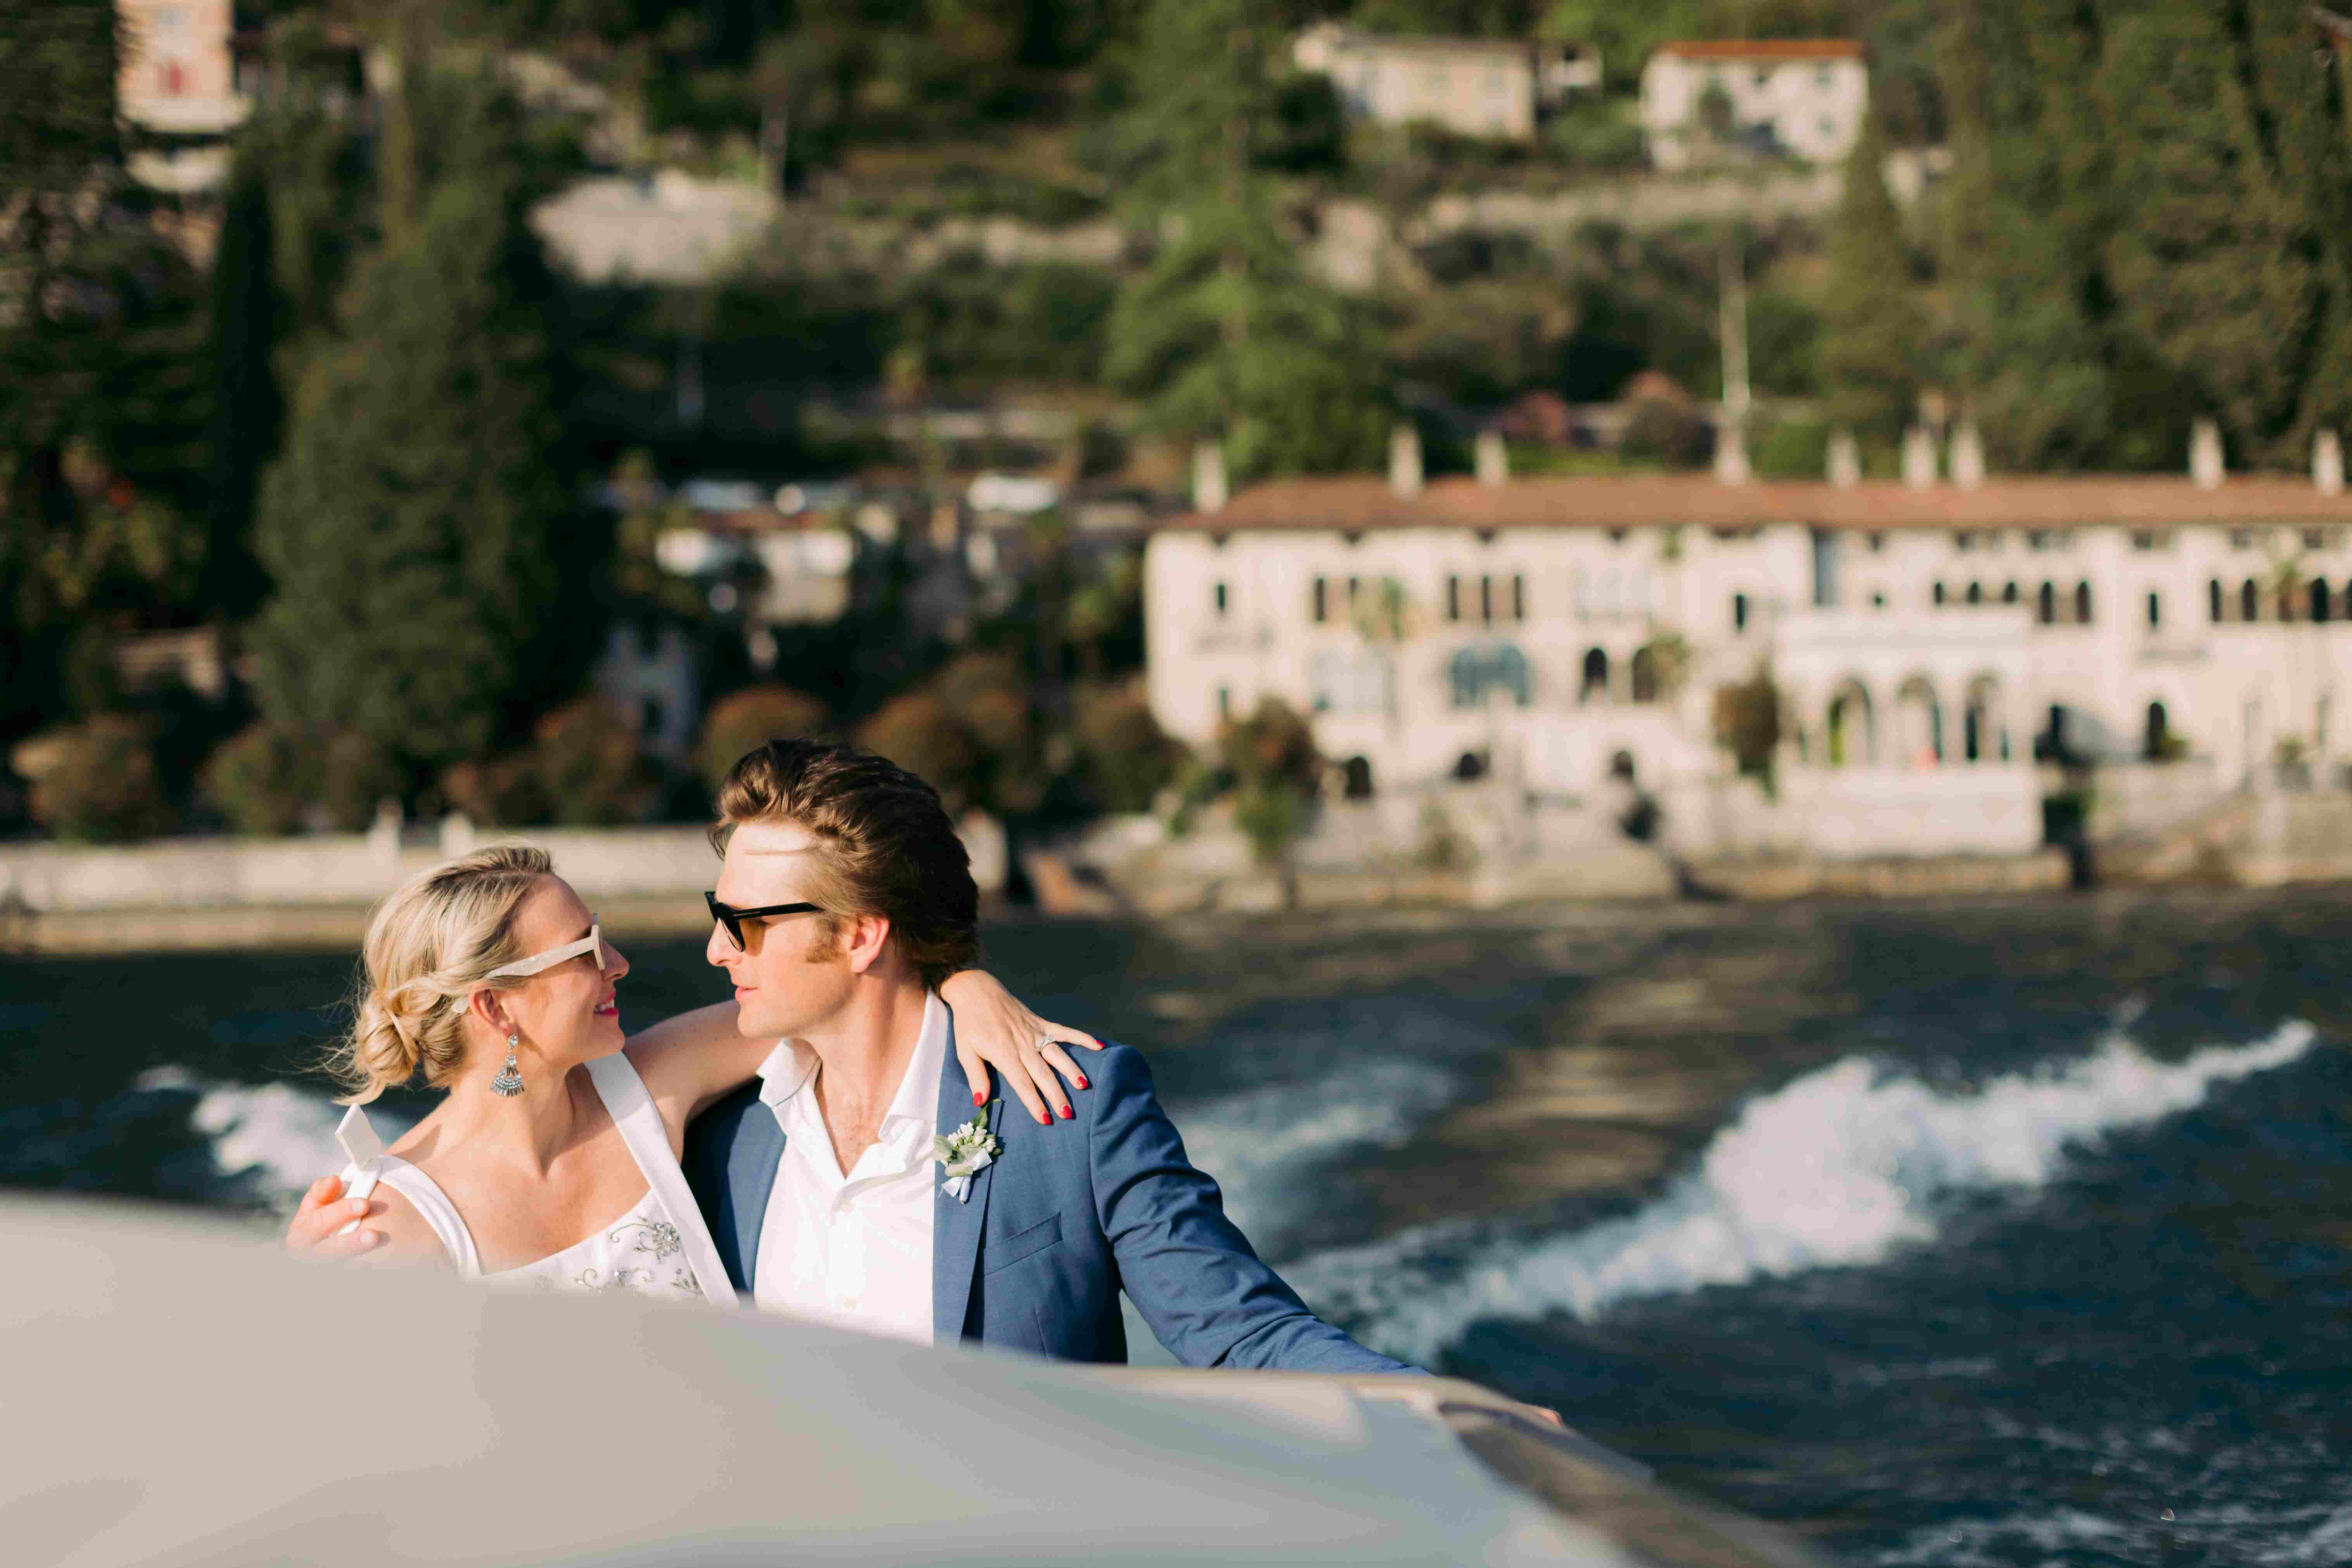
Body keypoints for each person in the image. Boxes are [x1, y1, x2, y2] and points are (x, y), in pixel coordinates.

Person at [660, 739, 1412, 1369]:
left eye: (746, 924)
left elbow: (1247, 1336)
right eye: (716, 916)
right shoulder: (723, 1139)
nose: (716, 949)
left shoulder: (1073, 1113)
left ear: (861, 936)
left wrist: (1449, 1420)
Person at [288, 844, 1095, 1295]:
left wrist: (966, 985)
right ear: (497, 1010)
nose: (620, 963)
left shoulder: (648, 1088)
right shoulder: (388, 1228)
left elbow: (838, 996)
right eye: (585, 952)